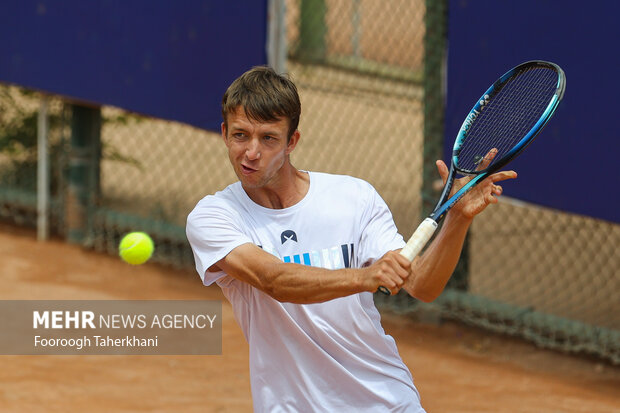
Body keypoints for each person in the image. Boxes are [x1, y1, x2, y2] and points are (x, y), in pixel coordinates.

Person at [186, 66, 516, 412]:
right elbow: (273, 279)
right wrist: (364, 277)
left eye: (268, 138)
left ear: (292, 142)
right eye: (241, 135)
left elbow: (422, 286)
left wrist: (458, 220)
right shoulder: (214, 217)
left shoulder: (353, 198)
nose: (251, 152)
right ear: (224, 134)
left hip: (386, 401)